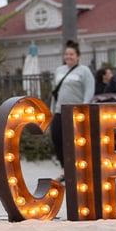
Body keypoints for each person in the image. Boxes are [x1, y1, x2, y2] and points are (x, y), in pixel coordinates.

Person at [49, 39, 96, 168]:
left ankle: (79, 167)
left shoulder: (84, 71)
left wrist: (84, 107)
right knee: (57, 136)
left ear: (78, 57)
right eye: (66, 54)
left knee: (76, 140)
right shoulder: (59, 70)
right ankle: (65, 167)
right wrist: (52, 109)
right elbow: (55, 91)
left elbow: (89, 90)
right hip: (60, 110)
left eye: (71, 54)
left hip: (76, 110)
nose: (68, 57)